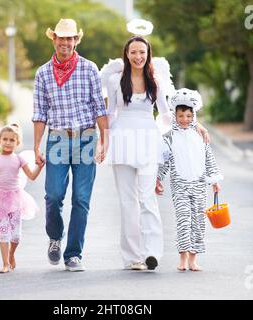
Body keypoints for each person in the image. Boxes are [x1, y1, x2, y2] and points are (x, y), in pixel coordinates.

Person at [101, 36, 209, 271]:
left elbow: (165, 114)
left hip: (148, 139)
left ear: (148, 54)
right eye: (133, 52)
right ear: (126, 54)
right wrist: (104, 143)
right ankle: (133, 257)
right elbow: (109, 113)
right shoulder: (115, 80)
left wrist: (193, 125)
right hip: (122, 139)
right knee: (128, 201)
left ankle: (151, 253)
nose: (138, 57)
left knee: (147, 198)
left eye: (142, 52)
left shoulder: (155, 80)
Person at [32, 18, 108, 272]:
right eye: (61, 38)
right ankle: (55, 237)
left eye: (70, 38)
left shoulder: (89, 68)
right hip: (57, 139)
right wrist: (36, 146)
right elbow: (39, 112)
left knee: (81, 199)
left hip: (86, 137)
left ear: (76, 40)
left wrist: (104, 141)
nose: (65, 42)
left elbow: (99, 106)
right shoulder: (43, 72)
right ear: (54, 39)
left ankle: (73, 253)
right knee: (53, 195)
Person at [156, 88, 223, 272]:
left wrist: (214, 180)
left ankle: (194, 259)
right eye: (180, 115)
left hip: (199, 185)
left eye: (188, 115)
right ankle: (183, 258)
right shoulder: (169, 137)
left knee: (198, 222)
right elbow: (165, 161)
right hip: (180, 186)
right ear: (174, 115)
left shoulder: (201, 135)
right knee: (183, 220)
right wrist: (158, 179)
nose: (184, 119)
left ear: (193, 115)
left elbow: (209, 158)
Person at [0, 124, 44, 274]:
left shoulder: (19, 159)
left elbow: (32, 177)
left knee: (16, 235)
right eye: (5, 139)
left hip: (15, 200)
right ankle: (5, 264)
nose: (8, 143)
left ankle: (11, 254)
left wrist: (40, 167)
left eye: (11, 140)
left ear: (17, 143)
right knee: (3, 232)